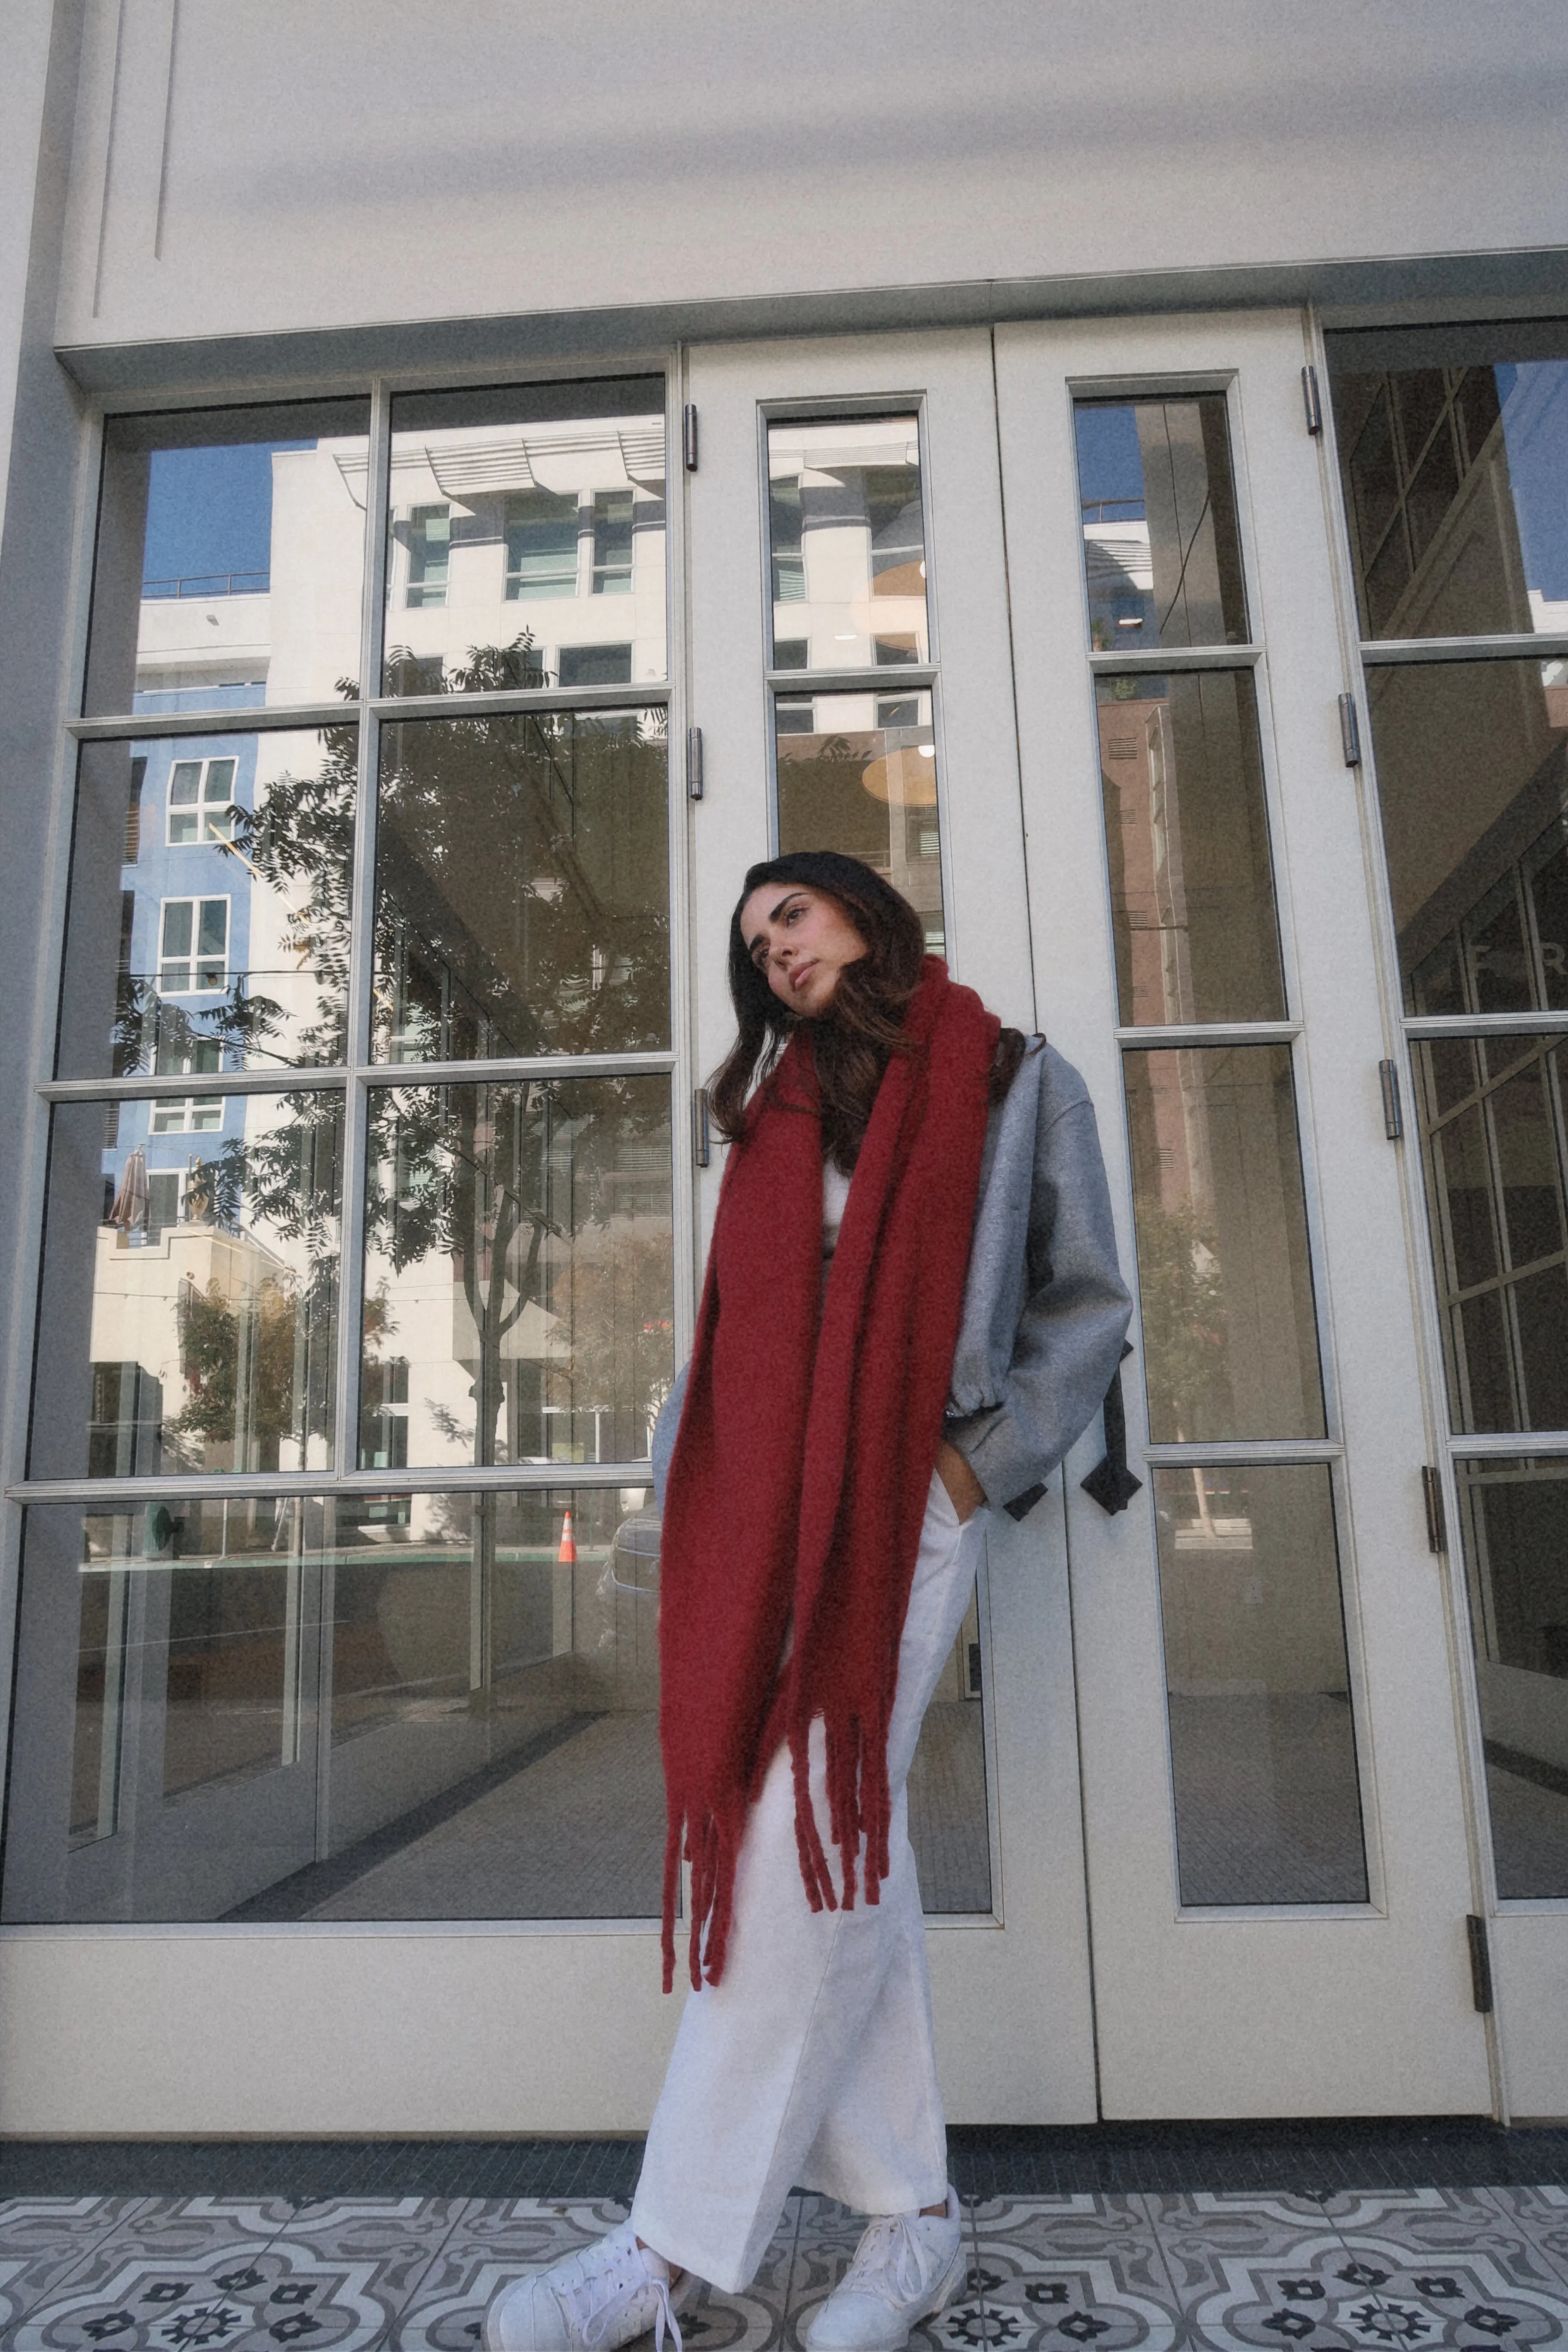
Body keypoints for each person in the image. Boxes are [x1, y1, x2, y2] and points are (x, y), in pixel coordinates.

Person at [485, 851, 1131, 2352]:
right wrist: (687, 1496)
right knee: (850, 1838)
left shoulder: (1015, 1078)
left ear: (865, 911)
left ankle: (666, 2250)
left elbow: (1087, 1304)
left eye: (793, 914)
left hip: (906, 1505)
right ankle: (915, 2225)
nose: (774, 950)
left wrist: (971, 1472)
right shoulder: (775, 1120)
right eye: (752, 941)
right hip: (763, 1516)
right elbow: (732, 1338)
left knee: (798, 1827)